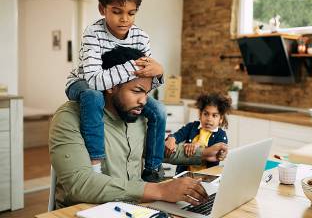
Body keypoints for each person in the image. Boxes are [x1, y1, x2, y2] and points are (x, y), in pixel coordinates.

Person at [49, 46, 228, 208]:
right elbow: (80, 184)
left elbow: (157, 150)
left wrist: (205, 153)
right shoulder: (69, 117)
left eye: (147, 92)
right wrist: (161, 190)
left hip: (135, 208)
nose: (144, 100)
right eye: (136, 91)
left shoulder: (138, 115)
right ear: (110, 85)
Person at [65, 0, 166, 182]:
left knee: (159, 111)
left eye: (131, 13)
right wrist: (133, 66)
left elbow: (143, 83)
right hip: (82, 81)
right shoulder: (93, 34)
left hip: (113, 87)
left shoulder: (141, 37)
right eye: (117, 11)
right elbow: (94, 80)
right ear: (102, 9)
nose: (124, 19)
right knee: (93, 97)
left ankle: (153, 168)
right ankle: (96, 165)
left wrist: (159, 72)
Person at [165, 93, 231, 174]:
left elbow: (216, 152)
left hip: (206, 177)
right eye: (206, 114)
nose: (209, 119)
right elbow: (177, 135)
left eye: (214, 115)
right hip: (185, 175)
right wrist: (171, 138)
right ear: (200, 114)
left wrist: (198, 145)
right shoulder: (191, 127)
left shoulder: (221, 135)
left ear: (221, 119)